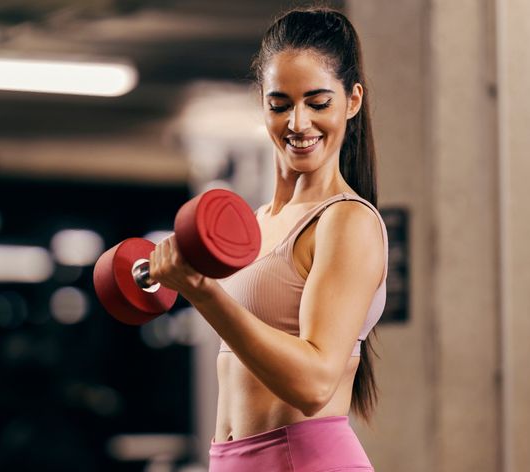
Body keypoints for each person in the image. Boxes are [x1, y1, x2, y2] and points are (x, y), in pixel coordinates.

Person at [149, 7, 387, 471]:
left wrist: (202, 292)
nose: (298, 123)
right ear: (262, 102)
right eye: (280, 104)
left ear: (352, 101)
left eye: (318, 103)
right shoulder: (257, 224)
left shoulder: (345, 221)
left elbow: (316, 384)